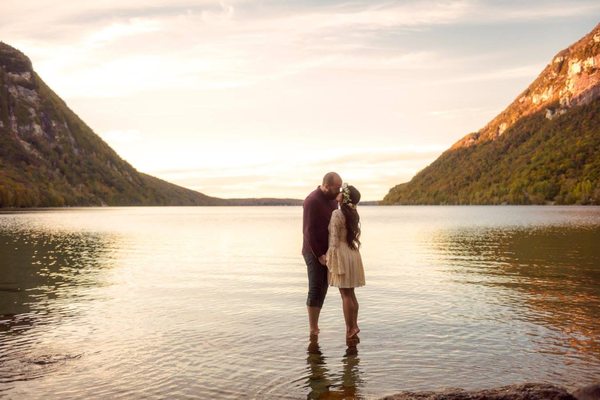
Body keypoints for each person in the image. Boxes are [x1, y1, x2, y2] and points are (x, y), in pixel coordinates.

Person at [302, 172, 342, 337]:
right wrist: (319, 255)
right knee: (315, 288)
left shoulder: (332, 200)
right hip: (313, 251)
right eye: (336, 187)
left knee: (323, 288)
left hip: (328, 251)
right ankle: (313, 328)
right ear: (326, 185)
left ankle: (316, 327)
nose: (339, 190)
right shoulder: (312, 201)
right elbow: (308, 231)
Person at [326, 183, 365, 340]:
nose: (339, 193)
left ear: (345, 197)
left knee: (345, 294)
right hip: (352, 253)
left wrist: (327, 258)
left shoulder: (337, 214)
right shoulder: (353, 213)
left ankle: (350, 328)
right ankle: (354, 325)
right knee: (351, 293)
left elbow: (333, 241)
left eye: (342, 192)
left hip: (341, 253)